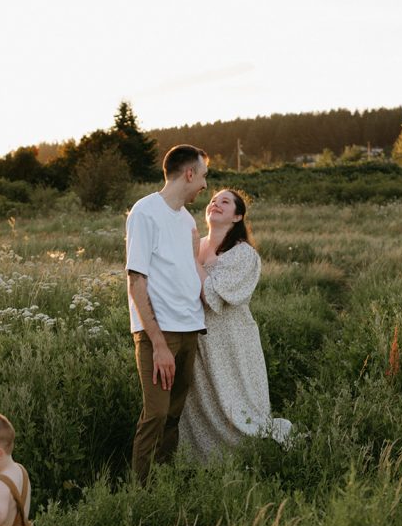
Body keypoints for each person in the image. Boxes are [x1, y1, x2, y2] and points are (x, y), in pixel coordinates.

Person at [178, 188, 292, 460]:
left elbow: (212, 294)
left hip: (231, 340)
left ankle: (250, 454)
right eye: (213, 200)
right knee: (201, 402)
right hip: (197, 337)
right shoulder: (197, 244)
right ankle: (203, 461)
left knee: (235, 402)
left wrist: (192, 259)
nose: (215, 204)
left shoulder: (243, 255)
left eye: (225, 202)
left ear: (237, 216)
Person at [125, 144, 210, 483]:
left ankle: (165, 480)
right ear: (189, 173)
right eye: (203, 175)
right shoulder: (145, 212)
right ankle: (140, 490)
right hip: (159, 334)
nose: (204, 184)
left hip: (190, 329)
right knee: (156, 415)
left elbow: (188, 270)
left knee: (174, 415)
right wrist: (158, 343)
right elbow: (136, 281)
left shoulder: (187, 219)